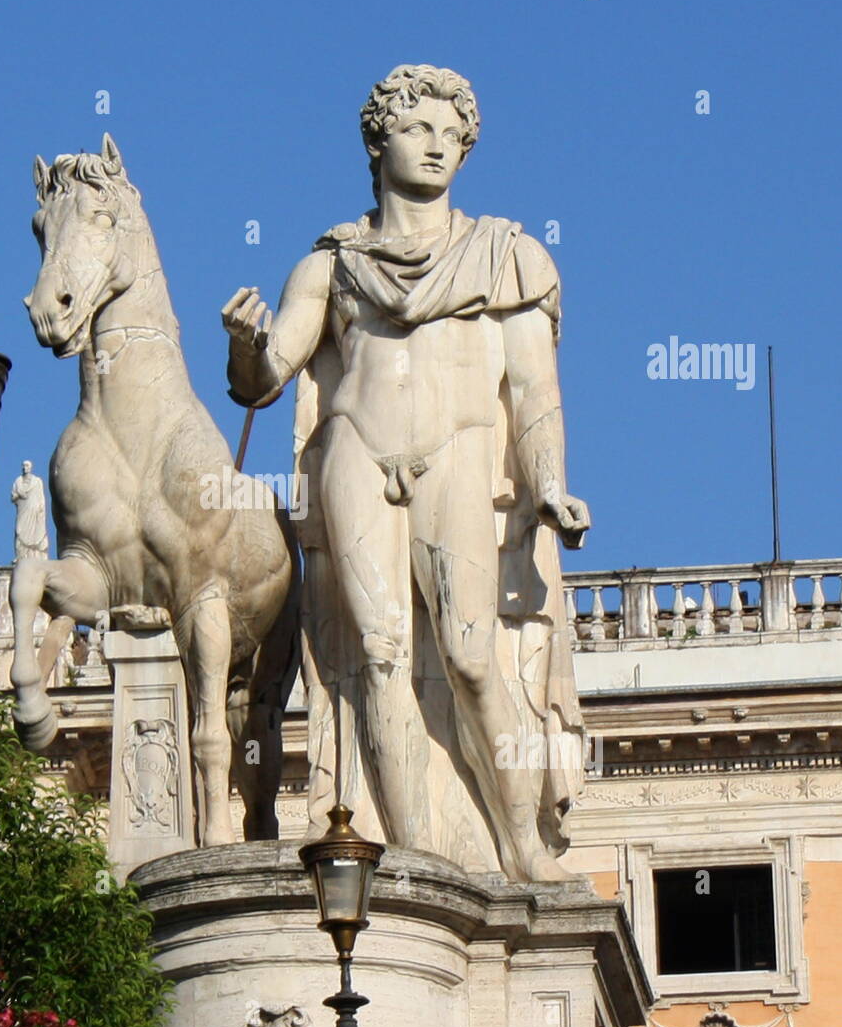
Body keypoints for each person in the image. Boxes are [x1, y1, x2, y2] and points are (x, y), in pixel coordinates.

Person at [223, 65, 589, 881]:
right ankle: (420, 858)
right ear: (377, 139)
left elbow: (533, 391)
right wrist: (245, 343)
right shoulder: (334, 262)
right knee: (378, 654)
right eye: (419, 128)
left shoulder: (506, 254)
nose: (438, 146)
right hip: (356, 450)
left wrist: (550, 484)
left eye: (452, 135)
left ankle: (521, 840)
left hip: (456, 451)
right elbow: (266, 377)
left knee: (466, 654)